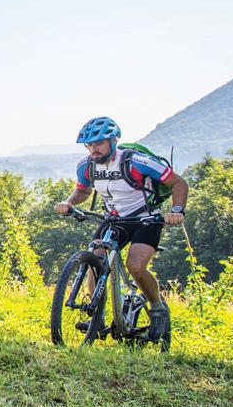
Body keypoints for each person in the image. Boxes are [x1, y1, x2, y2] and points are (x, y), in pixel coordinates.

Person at [54, 116, 189, 340]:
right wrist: (69, 202)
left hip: (145, 220)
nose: (93, 149)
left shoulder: (137, 161)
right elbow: (83, 190)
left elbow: (178, 183)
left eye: (98, 143)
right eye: (89, 145)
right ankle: (97, 318)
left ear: (113, 140)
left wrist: (176, 211)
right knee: (94, 259)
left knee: (135, 266)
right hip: (114, 221)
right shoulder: (86, 166)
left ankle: (157, 309)